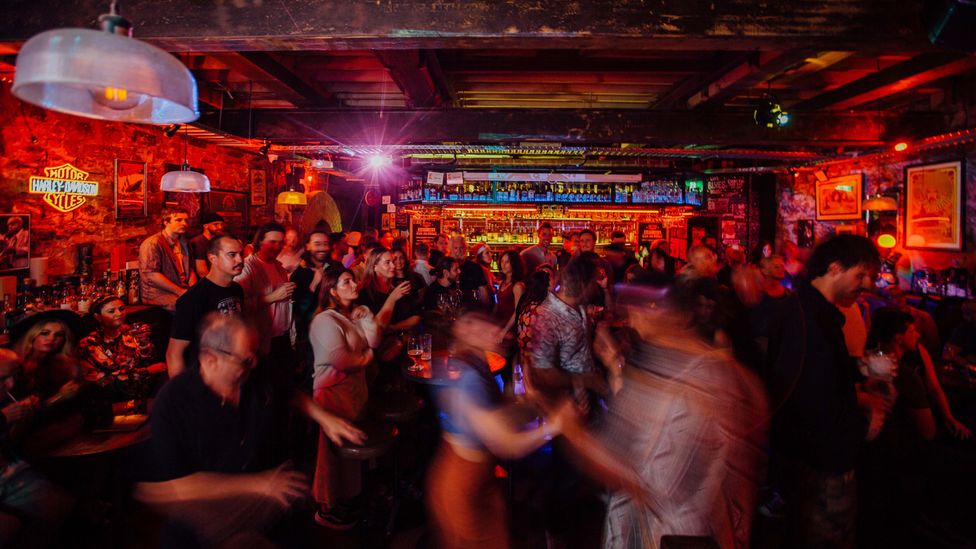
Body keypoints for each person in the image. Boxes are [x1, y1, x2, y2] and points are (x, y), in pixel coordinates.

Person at [556, 285, 769, 549]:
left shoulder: (689, 384)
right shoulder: (733, 374)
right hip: (718, 528)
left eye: (645, 310)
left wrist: (572, 432)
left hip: (676, 535)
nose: (634, 320)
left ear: (676, 316)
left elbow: (644, 480)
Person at [135, 313, 364, 547]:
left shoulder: (256, 368)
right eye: (245, 360)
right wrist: (257, 484)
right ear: (210, 359)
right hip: (210, 518)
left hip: (270, 505)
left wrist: (325, 418)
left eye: (254, 355)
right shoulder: (173, 404)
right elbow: (175, 487)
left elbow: (289, 392)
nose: (254, 363)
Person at [765, 234, 884, 548]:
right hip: (820, 463)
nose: (867, 284)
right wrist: (862, 422)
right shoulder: (809, 319)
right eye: (860, 275)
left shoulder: (809, 311)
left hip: (806, 457)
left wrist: (859, 375)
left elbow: (817, 377)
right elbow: (812, 399)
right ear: (834, 268)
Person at [426, 312, 567, 549]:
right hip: (461, 489)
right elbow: (506, 443)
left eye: (495, 324)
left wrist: (530, 404)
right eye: (484, 324)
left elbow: (500, 417)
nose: (497, 331)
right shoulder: (468, 378)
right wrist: (555, 426)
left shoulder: (474, 364)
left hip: (479, 482)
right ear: (463, 329)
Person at [308, 269, 380, 529]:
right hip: (333, 394)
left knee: (348, 453)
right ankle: (325, 508)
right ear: (333, 290)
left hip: (353, 392)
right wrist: (367, 358)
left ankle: (346, 500)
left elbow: (374, 339)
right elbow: (342, 360)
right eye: (346, 281)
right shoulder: (325, 320)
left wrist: (368, 317)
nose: (354, 284)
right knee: (331, 455)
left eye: (353, 279)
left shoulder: (351, 314)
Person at [0, 350, 73, 548]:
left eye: (13, 376)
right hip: (9, 482)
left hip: (15, 475)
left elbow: (14, 442)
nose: (10, 385)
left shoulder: (7, 399)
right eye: (2, 379)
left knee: (60, 503)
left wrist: (25, 416)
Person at [166, 235, 245, 377]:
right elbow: (174, 354)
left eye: (241, 254)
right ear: (212, 258)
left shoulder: (237, 290)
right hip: (204, 378)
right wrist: (180, 394)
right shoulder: (193, 299)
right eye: (232, 255)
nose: (240, 260)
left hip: (231, 374)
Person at [78, 295, 166, 397]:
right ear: (98, 317)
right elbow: (98, 382)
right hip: (108, 400)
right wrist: (146, 372)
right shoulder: (89, 343)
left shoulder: (129, 333)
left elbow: (151, 362)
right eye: (111, 311)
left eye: (121, 309)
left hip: (140, 394)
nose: (119, 314)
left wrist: (143, 342)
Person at [235, 223, 295, 361]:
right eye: (272, 242)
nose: (277, 247)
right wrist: (272, 297)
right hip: (262, 341)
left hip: (282, 336)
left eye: (281, 243)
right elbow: (239, 306)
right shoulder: (247, 268)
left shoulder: (279, 267)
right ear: (260, 241)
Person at [356, 248, 416, 366]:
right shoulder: (365, 294)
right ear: (374, 267)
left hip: (405, 349)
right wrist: (392, 298)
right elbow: (378, 327)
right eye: (387, 262)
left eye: (393, 261)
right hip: (381, 358)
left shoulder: (397, 288)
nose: (393, 266)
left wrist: (395, 327)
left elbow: (417, 316)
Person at [290, 227, 336, 381]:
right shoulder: (300, 274)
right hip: (311, 335)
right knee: (314, 374)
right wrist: (314, 284)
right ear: (308, 246)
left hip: (335, 329)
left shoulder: (336, 268)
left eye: (325, 244)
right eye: (317, 244)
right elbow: (297, 309)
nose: (322, 248)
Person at [139, 208, 195, 311]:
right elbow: (151, 274)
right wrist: (180, 291)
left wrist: (193, 289)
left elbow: (190, 268)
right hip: (159, 294)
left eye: (186, 220)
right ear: (166, 222)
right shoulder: (153, 243)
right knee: (190, 308)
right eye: (178, 220)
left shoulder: (184, 242)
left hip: (181, 289)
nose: (184, 223)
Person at [495, 250, 526, 334]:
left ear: (514, 264)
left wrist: (504, 331)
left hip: (510, 329)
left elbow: (517, 312)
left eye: (507, 262)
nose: (503, 265)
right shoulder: (502, 283)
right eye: (502, 261)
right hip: (500, 324)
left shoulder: (518, 286)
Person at [188, 212, 225, 279]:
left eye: (221, 224)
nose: (220, 227)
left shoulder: (219, 241)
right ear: (205, 226)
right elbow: (202, 272)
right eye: (216, 224)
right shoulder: (198, 242)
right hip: (207, 282)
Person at [460, 243, 495, 311]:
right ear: (480, 256)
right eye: (487, 253)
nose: (491, 255)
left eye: (490, 252)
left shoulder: (479, 267)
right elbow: (488, 290)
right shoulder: (483, 270)